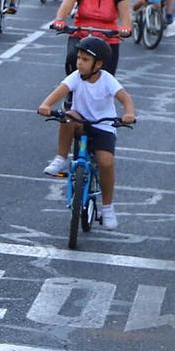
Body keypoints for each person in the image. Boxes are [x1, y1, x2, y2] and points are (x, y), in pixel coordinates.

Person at [38, 36, 137, 229]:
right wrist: (46, 105)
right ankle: (62, 158)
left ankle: (107, 207)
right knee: (68, 116)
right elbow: (60, 90)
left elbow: (125, 97)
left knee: (106, 163)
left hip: (103, 127)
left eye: (85, 59)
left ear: (98, 64)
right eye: (79, 58)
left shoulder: (107, 80)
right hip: (80, 123)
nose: (79, 63)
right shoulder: (75, 77)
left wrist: (129, 113)